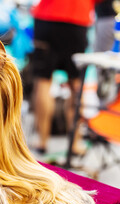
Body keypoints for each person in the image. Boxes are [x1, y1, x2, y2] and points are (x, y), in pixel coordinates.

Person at [31, 0, 103, 155]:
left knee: (43, 83)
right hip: (77, 20)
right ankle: (76, 144)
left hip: (48, 18)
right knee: (76, 83)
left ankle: (42, 141)